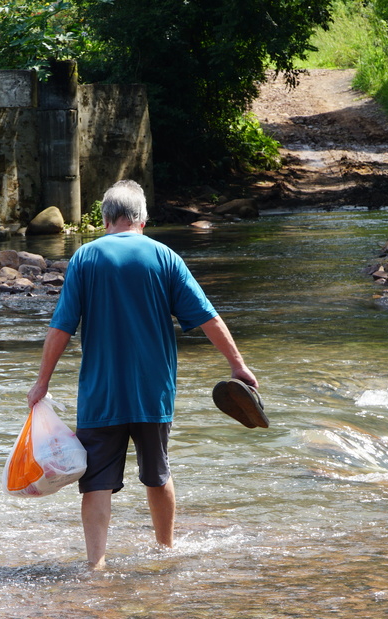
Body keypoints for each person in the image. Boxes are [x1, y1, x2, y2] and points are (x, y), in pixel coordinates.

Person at [26, 180, 257, 569]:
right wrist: (238, 365)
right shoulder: (165, 257)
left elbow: (61, 326)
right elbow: (208, 318)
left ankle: (95, 564)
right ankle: (165, 552)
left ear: (105, 220)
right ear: (143, 219)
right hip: (154, 391)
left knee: (97, 480)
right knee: (158, 472)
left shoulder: (85, 258)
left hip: (101, 394)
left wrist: (42, 382)